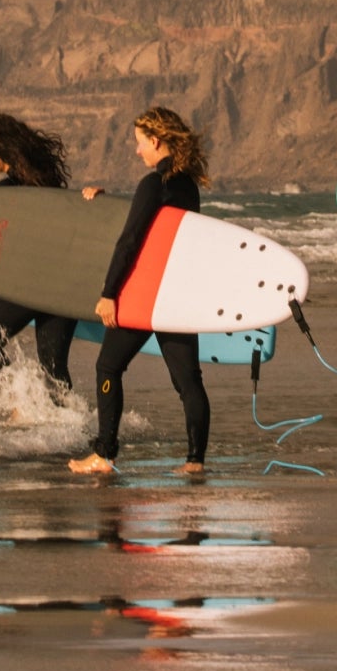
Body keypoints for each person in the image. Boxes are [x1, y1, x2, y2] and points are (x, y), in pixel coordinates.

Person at [68, 106, 211, 478]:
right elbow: (157, 227)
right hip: (178, 295)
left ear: (156, 141)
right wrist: (110, 202)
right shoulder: (186, 187)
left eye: (139, 143)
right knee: (188, 381)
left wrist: (108, 292)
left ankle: (104, 453)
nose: (137, 151)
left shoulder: (153, 185)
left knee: (108, 366)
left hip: (147, 294)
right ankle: (195, 461)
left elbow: (130, 240)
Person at [0, 112, 79, 394]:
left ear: (0, 148)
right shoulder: (46, 183)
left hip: (30, 282)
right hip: (63, 284)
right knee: (54, 367)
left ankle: (19, 401)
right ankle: (69, 425)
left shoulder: (9, 190)